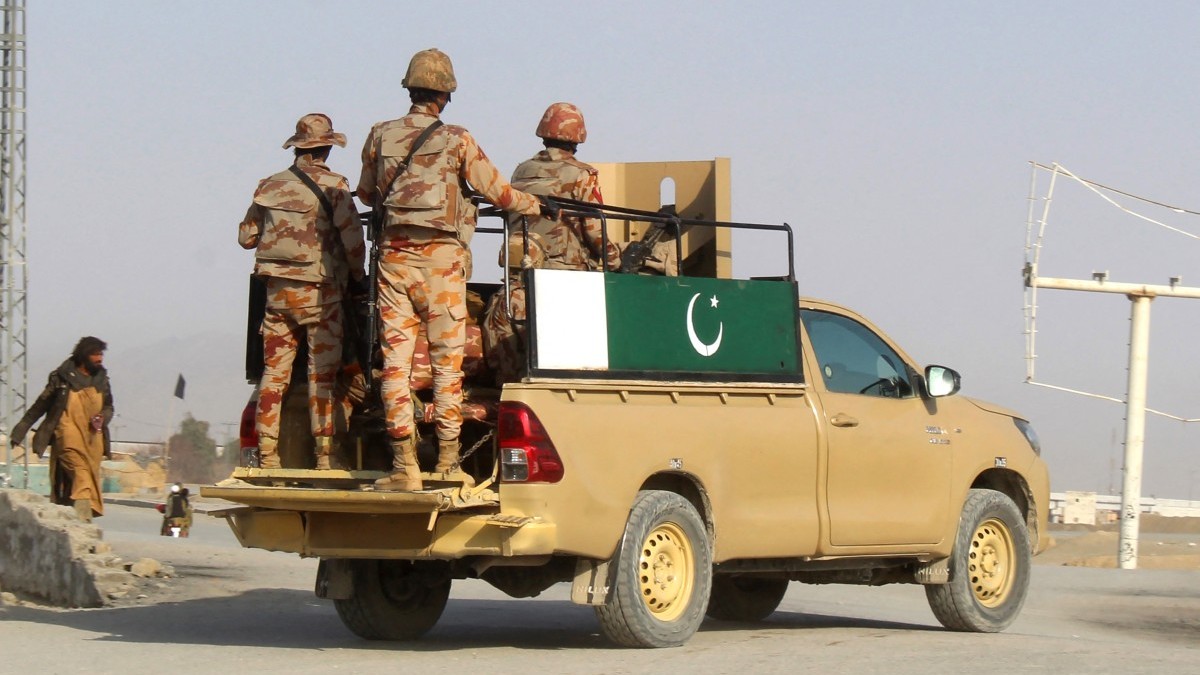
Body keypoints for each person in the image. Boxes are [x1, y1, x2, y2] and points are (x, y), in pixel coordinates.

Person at [357, 48, 544, 491]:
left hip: (394, 263)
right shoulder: (457, 139)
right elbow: (498, 192)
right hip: (442, 266)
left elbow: (366, 195)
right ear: (445, 96)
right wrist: (536, 205)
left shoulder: (380, 136)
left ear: (410, 89)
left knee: (397, 367)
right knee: (447, 368)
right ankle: (445, 462)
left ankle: (403, 467)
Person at [239, 113, 367, 470]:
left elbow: (246, 238)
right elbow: (354, 242)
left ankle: (267, 457)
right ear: (326, 148)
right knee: (321, 379)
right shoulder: (335, 186)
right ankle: (325, 458)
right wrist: (358, 278)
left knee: (273, 378)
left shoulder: (268, 186)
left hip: (277, 298)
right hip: (321, 298)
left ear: (297, 147)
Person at [482, 102, 621, 385]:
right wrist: (617, 261)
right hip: (564, 282)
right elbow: (594, 232)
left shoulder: (522, 171)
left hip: (518, 278)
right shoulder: (583, 175)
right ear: (578, 136)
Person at [10, 336, 114, 522]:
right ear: (83, 356)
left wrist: (103, 417)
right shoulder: (62, 378)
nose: (100, 359)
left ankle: (69, 519)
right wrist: (21, 429)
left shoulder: (102, 380)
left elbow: (109, 407)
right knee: (81, 475)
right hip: (66, 431)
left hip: (93, 437)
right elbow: (40, 405)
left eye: (101, 354)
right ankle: (84, 523)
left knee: (83, 479)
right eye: (95, 354)